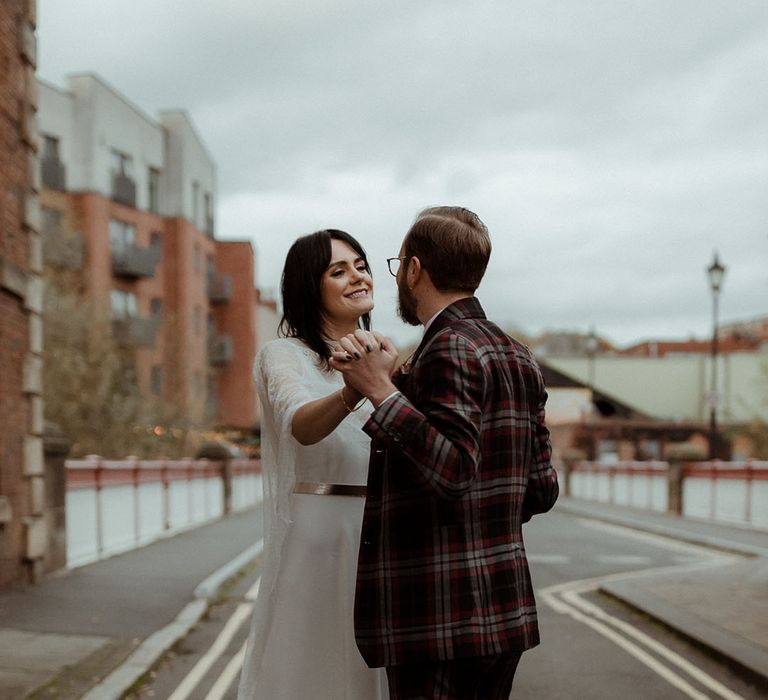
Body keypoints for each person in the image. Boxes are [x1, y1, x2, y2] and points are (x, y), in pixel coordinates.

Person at [330, 206, 559, 699]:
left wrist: (381, 393)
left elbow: (454, 471)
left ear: (414, 269)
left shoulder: (447, 347)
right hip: (501, 614)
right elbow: (541, 489)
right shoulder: (519, 356)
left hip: (439, 618)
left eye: (398, 266)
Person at [237, 229, 387, 699]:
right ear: (309, 286)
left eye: (360, 265)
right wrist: (354, 388)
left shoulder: (384, 352)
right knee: (311, 666)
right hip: (319, 533)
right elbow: (299, 424)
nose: (357, 277)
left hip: (383, 532)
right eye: (337, 271)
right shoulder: (282, 356)